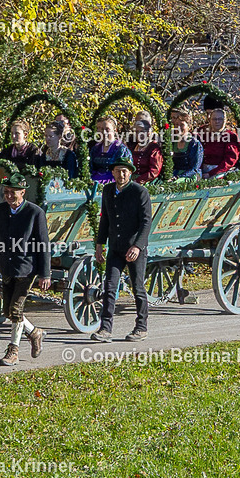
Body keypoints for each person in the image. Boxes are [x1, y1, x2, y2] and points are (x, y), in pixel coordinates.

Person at [0, 174, 51, 366]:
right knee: (7, 311)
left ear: (23, 192)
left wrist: (45, 273)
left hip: (27, 268)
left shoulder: (34, 213)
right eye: (6, 192)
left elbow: (43, 244)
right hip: (6, 266)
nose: (8, 196)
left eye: (12, 192)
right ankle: (35, 332)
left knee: (15, 310)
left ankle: (13, 351)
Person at [92, 157, 152, 342]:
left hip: (134, 249)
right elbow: (105, 219)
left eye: (125, 171)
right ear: (113, 172)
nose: (121, 174)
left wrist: (138, 246)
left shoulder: (139, 192)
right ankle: (105, 329)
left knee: (138, 288)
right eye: (118, 171)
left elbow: (146, 222)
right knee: (109, 287)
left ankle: (141, 327)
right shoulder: (108, 190)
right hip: (116, 248)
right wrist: (100, 243)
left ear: (130, 173)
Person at [200, 98, 239, 178]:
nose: (217, 121)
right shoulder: (203, 132)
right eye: (214, 118)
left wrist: (211, 173)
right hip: (202, 171)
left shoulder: (230, 136)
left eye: (220, 119)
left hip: (220, 172)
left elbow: (230, 160)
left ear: (225, 120)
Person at [89, 116, 132, 183]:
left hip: (112, 184)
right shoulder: (95, 149)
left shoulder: (121, 150)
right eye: (99, 129)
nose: (103, 132)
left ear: (115, 130)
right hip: (93, 182)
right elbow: (91, 169)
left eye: (107, 129)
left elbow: (124, 174)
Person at [127, 117, 163, 184]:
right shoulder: (133, 147)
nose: (139, 134)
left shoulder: (153, 148)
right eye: (136, 132)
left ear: (148, 133)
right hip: (131, 179)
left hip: (147, 181)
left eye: (142, 131)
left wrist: (138, 181)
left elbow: (154, 171)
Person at [170, 109, 204, 179]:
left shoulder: (194, 144)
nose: (178, 127)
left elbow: (195, 168)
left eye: (182, 125)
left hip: (189, 175)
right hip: (174, 174)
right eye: (176, 125)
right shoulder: (172, 142)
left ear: (189, 126)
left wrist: (179, 177)